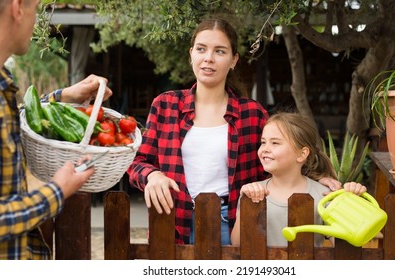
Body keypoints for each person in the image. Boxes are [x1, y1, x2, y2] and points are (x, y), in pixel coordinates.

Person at [127, 18, 340, 245]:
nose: (208, 58)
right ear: (191, 54)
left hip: (234, 221)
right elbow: (136, 161)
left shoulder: (252, 114)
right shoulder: (165, 105)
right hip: (172, 218)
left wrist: (319, 180)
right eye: (201, 49)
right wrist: (153, 175)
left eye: (220, 51)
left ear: (233, 60)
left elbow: (280, 161)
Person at [0, 0, 112, 259]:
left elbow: (15, 118)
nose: (36, 21)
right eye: (37, 9)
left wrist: (63, 96)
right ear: (18, 7)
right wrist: (55, 192)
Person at [230, 112, 367, 247]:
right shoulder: (252, 193)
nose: (265, 149)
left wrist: (351, 204)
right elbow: (236, 244)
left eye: (275, 143)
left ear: (302, 154)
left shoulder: (324, 195)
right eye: (263, 142)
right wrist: (245, 203)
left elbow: (343, 246)